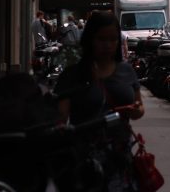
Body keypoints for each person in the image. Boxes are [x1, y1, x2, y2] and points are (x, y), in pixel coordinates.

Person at [55, 11, 144, 192]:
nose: (108, 45)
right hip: (85, 161)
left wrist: (136, 110)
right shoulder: (72, 75)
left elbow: (139, 108)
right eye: (102, 39)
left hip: (121, 159)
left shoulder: (127, 71)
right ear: (90, 40)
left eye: (113, 40)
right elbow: (60, 118)